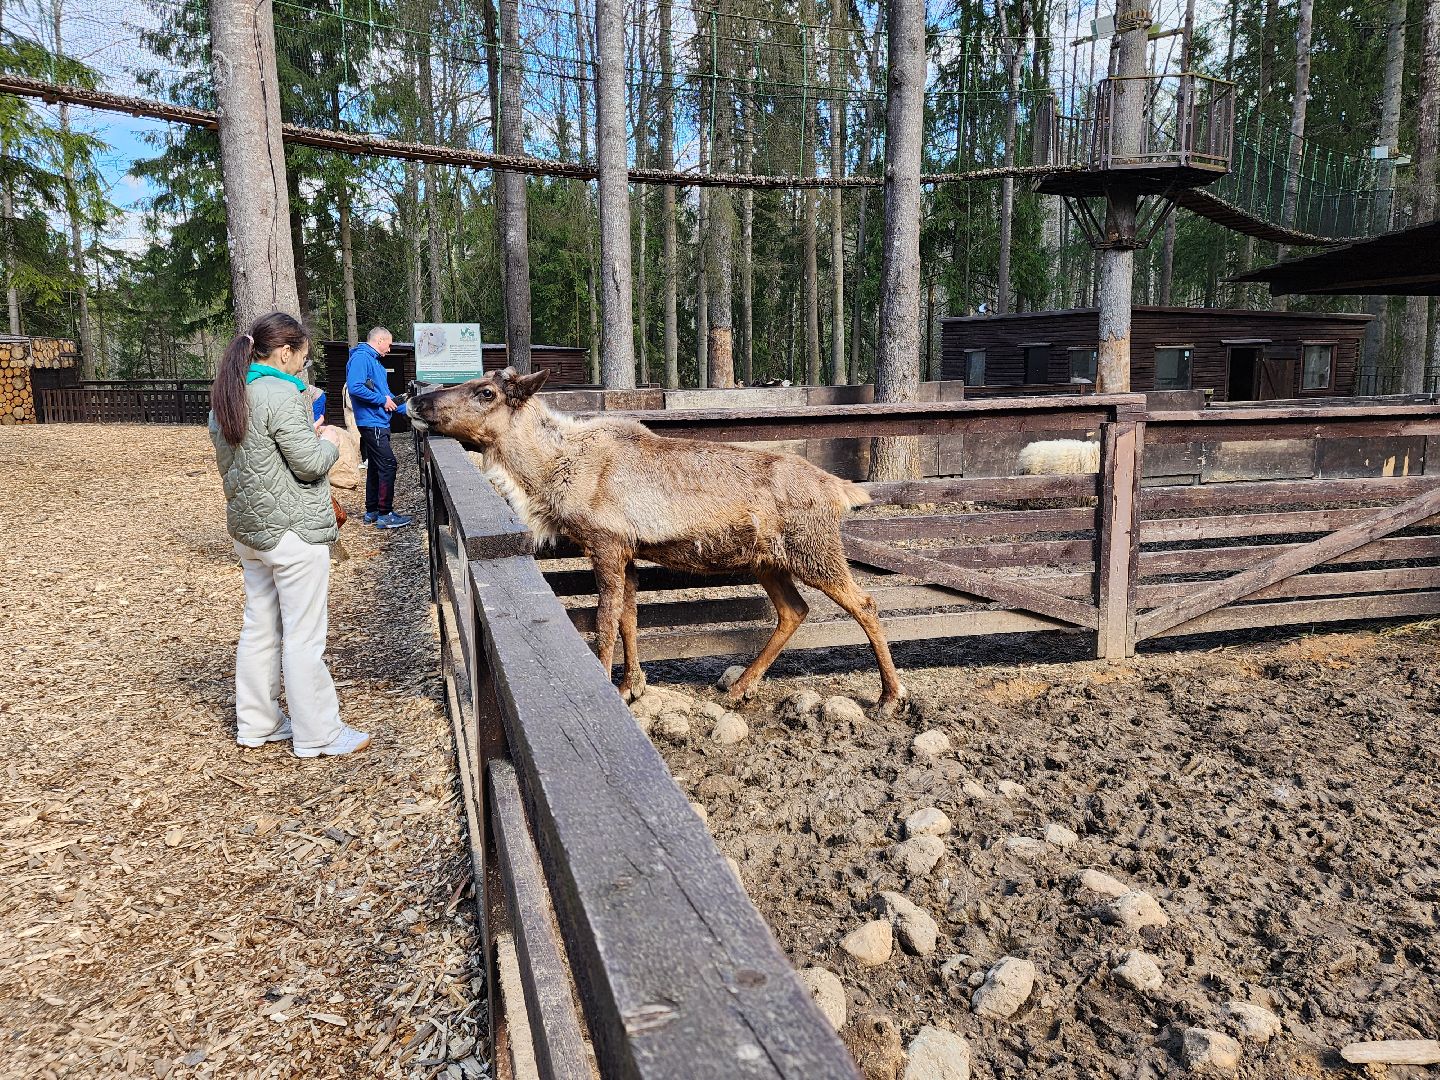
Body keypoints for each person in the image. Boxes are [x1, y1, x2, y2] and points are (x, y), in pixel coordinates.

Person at [209, 311, 370, 758]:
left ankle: (257, 724)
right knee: (304, 635)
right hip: (294, 534)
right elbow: (309, 464)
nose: (304, 366)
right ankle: (318, 733)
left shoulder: (228, 394)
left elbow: (237, 463)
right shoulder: (281, 393)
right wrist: (329, 443)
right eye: (303, 357)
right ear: (285, 353)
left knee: (259, 627)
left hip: (250, 533)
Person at [347, 326, 412, 529]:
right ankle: (385, 514)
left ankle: (372, 511)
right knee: (388, 464)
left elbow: (387, 396)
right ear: (380, 340)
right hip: (372, 422)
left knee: (376, 466)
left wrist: (408, 409)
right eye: (389, 344)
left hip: (377, 421)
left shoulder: (373, 361)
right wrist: (381, 401)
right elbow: (355, 387)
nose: (390, 349)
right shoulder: (362, 358)